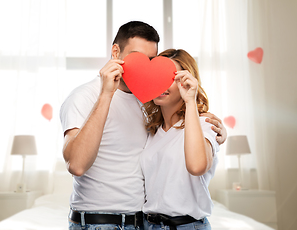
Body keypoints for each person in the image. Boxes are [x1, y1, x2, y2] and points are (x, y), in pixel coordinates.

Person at [60, 21, 226, 230]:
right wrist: (106, 94)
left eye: (149, 60)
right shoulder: (83, 97)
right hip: (100, 222)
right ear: (115, 52)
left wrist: (212, 129)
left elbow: (192, 155)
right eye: (135, 57)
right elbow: (76, 165)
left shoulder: (147, 103)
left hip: (142, 222)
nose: (143, 67)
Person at [141, 49, 218, 230]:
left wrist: (190, 101)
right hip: (149, 225)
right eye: (157, 76)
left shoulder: (205, 124)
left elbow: (197, 166)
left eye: (171, 78)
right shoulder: (152, 131)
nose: (162, 84)